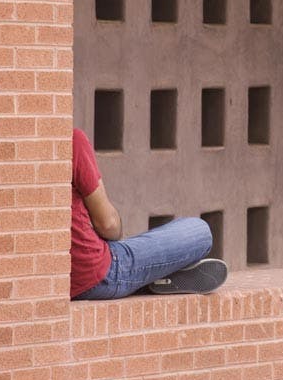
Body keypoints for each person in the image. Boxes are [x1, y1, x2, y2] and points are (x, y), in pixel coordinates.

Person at [70, 128, 227, 300]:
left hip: (60, 285)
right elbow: (108, 224)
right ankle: (154, 276)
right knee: (200, 231)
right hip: (99, 275)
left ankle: (155, 275)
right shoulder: (71, 140)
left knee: (137, 246)